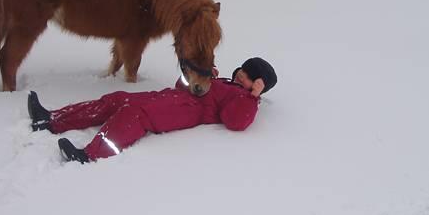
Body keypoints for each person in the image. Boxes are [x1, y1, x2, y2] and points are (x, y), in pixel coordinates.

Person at [28, 57, 277, 164]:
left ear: (257, 86)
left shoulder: (244, 99)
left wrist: (252, 97)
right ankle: (52, 119)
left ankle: (92, 154)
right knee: (117, 99)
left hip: (186, 111)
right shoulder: (222, 81)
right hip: (172, 97)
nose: (240, 78)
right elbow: (181, 85)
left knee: (135, 115)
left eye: (248, 79)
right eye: (240, 73)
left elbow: (234, 121)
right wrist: (198, 76)